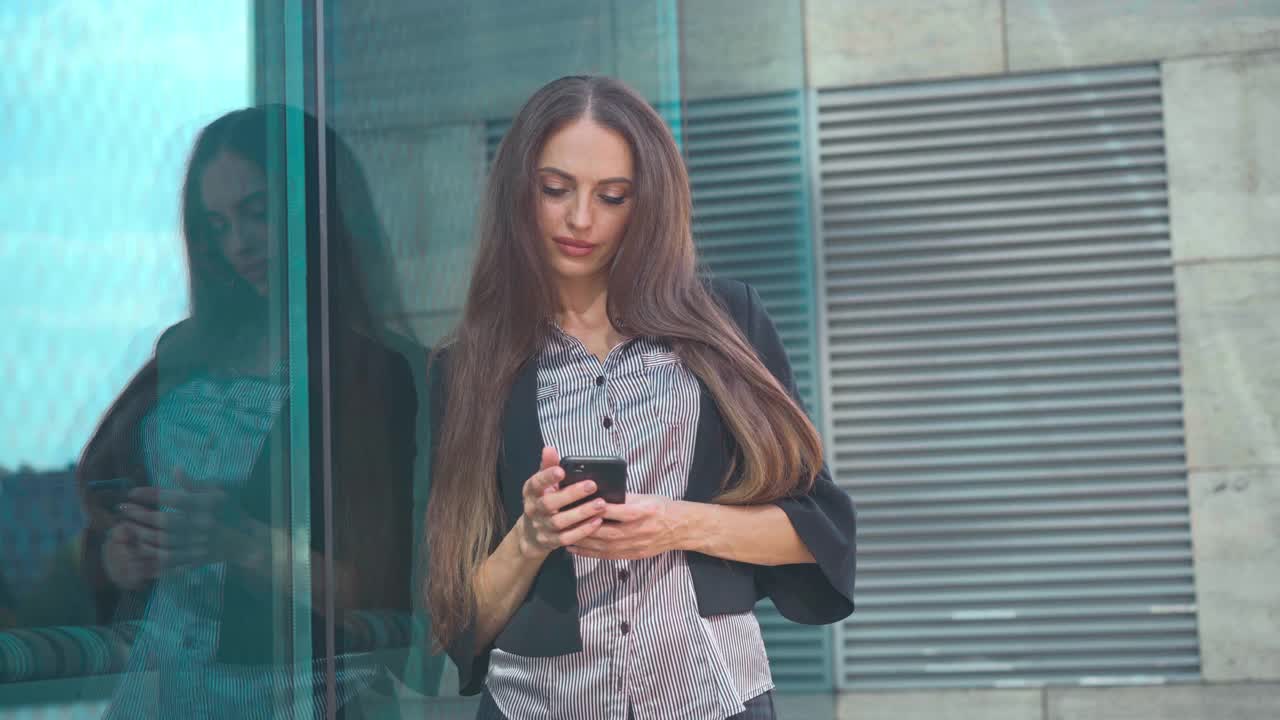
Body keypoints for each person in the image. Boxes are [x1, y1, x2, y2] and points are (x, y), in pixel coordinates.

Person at [424, 76, 857, 720]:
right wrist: (532, 536)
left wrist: (677, 523)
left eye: (613, 196)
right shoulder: (465, 368)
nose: (580, 219)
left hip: (715, 700)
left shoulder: (727, 320)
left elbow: (819, 533)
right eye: (555, 189)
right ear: (519, 190)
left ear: (646, 202)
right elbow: (458, 625)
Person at [77, 106, 420, 719]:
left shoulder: (379, 373)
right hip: (156, 693)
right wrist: (122, 556)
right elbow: (103, 507)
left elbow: (388, 589)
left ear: (315, 207)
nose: (239, 243)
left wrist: (242, 543)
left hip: (298, 699)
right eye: (218, 224)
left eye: (258, 212)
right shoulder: (185, 348)